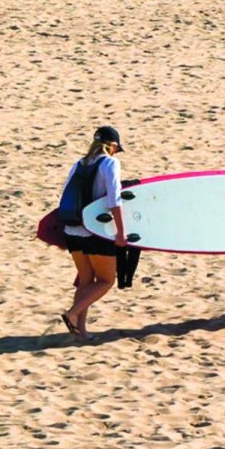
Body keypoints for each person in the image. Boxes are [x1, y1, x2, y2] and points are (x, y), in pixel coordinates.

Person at [58, 125, 128, 337]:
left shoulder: (79, 163)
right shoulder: (110, 163)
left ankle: (80, 329)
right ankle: (72, 314)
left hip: (72, 230)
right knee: (106, 281)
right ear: (112, 146)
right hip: (95, 232)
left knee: (86, 280)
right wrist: (121, 232)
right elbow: (114, 200)